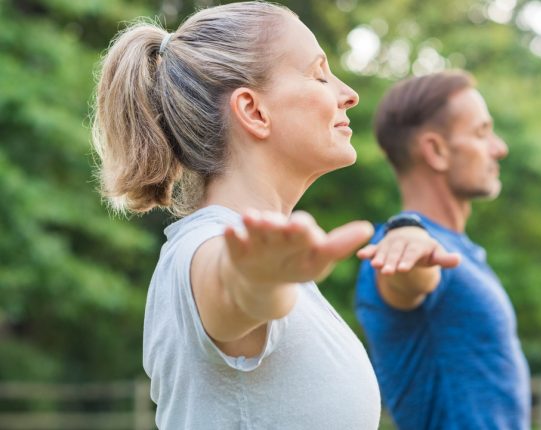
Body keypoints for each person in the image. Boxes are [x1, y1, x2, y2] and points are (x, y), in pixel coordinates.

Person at [91, 2, 381, 428]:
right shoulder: (204, 250)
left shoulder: (270, 264)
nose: (348, 94)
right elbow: (231, 289)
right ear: (253, 111)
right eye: (319, 74)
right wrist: (258, 279)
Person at [355, 71, 531, 430]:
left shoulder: (457, 250)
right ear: (436, 150)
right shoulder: (400, 247)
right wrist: (409, 243)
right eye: (482, 133)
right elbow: (408, 275)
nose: (499, 148)